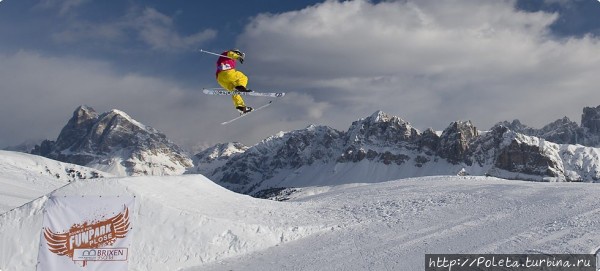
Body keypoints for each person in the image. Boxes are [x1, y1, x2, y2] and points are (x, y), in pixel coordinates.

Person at [215, 49, 253, 114]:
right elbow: (231, 54)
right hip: (228, 73)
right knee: (243, 77)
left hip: (220, 78)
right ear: (237, 53)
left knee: (234, 91)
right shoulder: (227, 53)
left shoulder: (225, 58)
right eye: (239, 54)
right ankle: (241, 87)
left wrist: (237, 57)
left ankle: (240, 107)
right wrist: (238, 57)